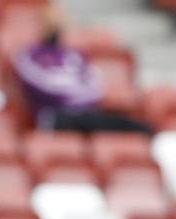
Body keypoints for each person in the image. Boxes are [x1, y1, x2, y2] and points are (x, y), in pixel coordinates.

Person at [13, 4, 151, 135]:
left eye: (57, 21)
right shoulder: (30, 56)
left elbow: (94, 87)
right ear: (40, 24)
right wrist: (72, 94)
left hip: (87, 113)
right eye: (50, 22)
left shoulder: (73, 55)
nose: (54, 26)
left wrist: (69, 93)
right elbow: (39, 86)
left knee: (137, 128)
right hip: (54, 116)